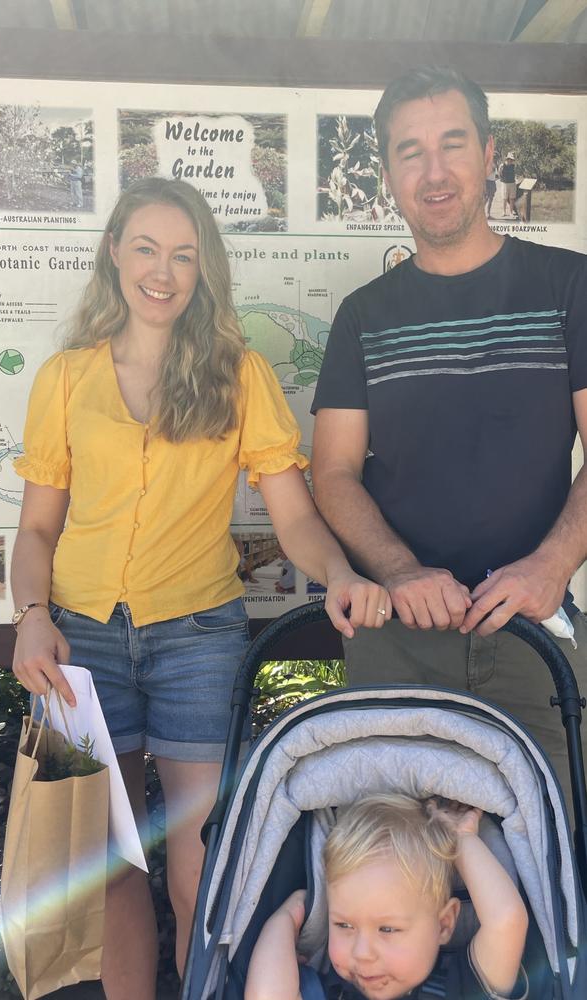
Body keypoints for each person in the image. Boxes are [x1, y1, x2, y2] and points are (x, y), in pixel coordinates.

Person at [11, 177, 390, 1000]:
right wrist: (30, 617)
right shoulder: (65, 379)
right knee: (103, 863)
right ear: (114, 251)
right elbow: (37, 528)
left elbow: (292, 515)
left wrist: (340, 574)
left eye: (183, 255)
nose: (162, 270)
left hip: (198, 642)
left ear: (203, 269)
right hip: (78, 650)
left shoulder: (238, 373)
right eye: (145, 247)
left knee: (200, 864)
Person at [311, 66, 587, 806]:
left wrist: (549, 568)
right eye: (410, 151)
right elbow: (332, 472)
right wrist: (399, 572)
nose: (434, 173)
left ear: (490, 154)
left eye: (453, 144)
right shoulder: (363, 316)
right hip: (397, 639)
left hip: (532, 636)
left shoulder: (569, 287)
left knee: (551, 876)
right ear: (389, 173)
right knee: (391, 890)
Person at [245, 793, 528, 1000]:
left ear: (443, 924)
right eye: (344, 925)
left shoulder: (464, 987)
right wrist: (290, 915)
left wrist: (462, 838)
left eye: (388, 929)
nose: (362, 953)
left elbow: (506, 921)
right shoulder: (329, 990)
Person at [499, 152, 518, 219]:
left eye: (511, 159)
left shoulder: (513, 166)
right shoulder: (502, 165)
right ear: (507, 159)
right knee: (504, 198)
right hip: (505, 184)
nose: (510, 160)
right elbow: (500, 174)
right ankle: (503, 212)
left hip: (512, 183)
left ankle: (511, 212)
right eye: (509, 159)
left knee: (512, 198)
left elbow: (516, 174)